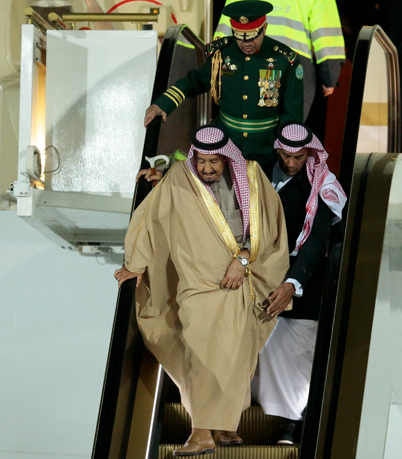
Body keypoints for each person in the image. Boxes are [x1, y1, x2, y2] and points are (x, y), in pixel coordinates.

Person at [115, 125, 290, 456]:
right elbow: (148, 219)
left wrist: (243, 260)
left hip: (240, 281)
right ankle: (201, 433)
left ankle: (223, 426)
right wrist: (135, 265)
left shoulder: (251, 176)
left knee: (235, 358)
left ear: (227, 158)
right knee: (199, 355)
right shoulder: (179, 178)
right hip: (196, 284)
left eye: (214, 162)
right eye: (202, 162)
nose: (207, 168)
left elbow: (269, 227)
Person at [253, 123, 346, 444]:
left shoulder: (321, 183)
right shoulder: (255, 169)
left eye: (299, 157)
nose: (291, 163)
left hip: (300, 282)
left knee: (292, 353)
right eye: (286, 156)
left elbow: (317, 240)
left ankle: (290, 423)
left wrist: (292, 283)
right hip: (252, 275)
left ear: (310, 154)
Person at [144, 0, 304, 168]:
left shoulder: (285, 58)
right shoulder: (221, 53)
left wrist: (286, 147)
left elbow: (292, 112)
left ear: (264, 28)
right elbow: (195, 81)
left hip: (265, 147)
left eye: (252, 36)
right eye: (240, 37)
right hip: (225, 143)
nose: (246, 44)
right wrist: (163, 104)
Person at [216, 0, 345, 120]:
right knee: (290, 126)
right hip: (293, 62)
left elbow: (228, 22)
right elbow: (327, 33)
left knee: (250, 124)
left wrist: (217, 71)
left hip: (250, 58)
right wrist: (329, 77)